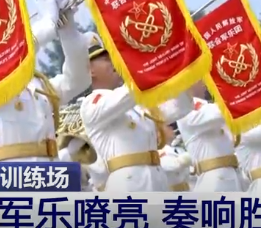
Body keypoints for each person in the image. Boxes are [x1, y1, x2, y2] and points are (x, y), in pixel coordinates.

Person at [0, 0, 91, 163]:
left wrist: (68, 31)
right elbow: (10, 56)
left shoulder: (37, 85)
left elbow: (78, 80)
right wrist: (47, 24)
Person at [80, 39, 194, 191]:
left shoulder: (136, 105)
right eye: (106, 59)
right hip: (129, 185)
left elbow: (179, 108)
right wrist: (150, 68)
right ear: (90, 71)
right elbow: (126, 96)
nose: (115, 62)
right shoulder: (91, 104)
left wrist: (177, 72)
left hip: (156, 180)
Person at [176, 88, 243, 192]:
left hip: (231, 174)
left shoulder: (207, 105)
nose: (204, 83)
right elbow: (216, 114)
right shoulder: (184, 107)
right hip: (215, 179)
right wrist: (241, 99)